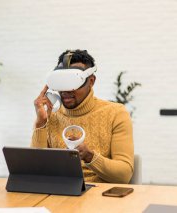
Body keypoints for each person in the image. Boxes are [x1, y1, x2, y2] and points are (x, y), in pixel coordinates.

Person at [31, 49, 134, 183]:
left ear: (91, 81)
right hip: (59, 192)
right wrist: (41, 124)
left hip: (99, 196)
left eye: (73, 82)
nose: (66, 91)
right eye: (62, 82)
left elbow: (124, 175)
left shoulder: (116, 113)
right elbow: (35, 171)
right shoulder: (50, 114)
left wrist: (90, 156)